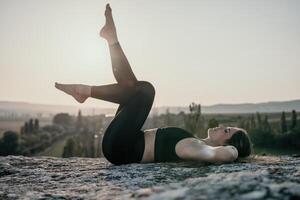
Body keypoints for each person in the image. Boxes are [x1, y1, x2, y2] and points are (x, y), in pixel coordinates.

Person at [55, 4, 252, 165]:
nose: (222, 126)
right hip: (122, 142)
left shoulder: (197, 147)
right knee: (132, 89)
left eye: (227, 131)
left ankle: (87, 87)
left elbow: (219, 155)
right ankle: (111, 40)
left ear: (227, 143)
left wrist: (234, 151)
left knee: (146, 90)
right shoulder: (195, 141)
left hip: (119, 148)